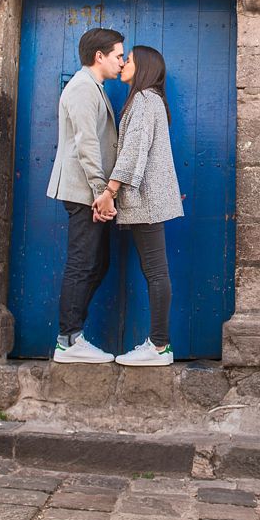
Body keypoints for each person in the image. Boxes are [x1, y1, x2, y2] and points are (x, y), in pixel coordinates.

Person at [92, 46, 185, 366]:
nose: (122, 64)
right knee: (155, 271)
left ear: (143, 67)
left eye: (128, 60)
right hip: (147, 199)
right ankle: (160, 344)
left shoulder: (145, 101)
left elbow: (134, 151)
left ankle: (159, 346)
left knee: (156, 272)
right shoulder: (149, 100)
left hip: (147, 200)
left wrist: (109, 191)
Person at [46, 27, 124, 364]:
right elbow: (86, 144)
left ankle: (73, 332)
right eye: (119, 55)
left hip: (90, 193)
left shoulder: (94, 87)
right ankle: (67, 340)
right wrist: (100, 194)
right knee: (82, 263)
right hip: (83, 193)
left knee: (97, 262)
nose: (122, 62)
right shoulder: (82, 88)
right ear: (100, 56)